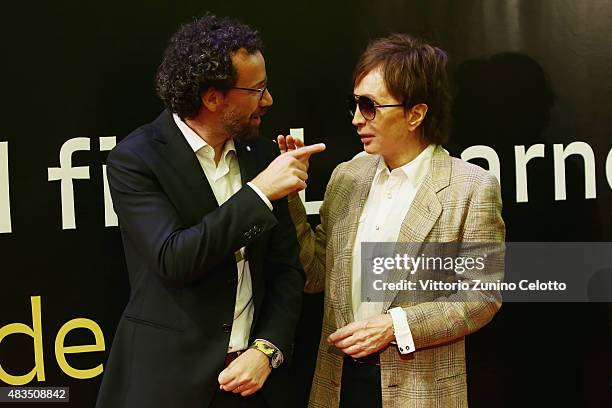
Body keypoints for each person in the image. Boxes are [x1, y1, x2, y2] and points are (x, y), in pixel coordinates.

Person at [96, 15, 325, 408]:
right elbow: (175, 258)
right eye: (257, 90)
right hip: (168, 387)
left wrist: (266, 350)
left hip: (254, 383)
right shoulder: (136, 159)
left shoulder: (262, 155)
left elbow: (287, 268)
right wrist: (259, 194)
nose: (268, 101)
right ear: (212, 97)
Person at [281, 33, 505, 408]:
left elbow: (481, 296)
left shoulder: (470, 188)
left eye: (369, 106)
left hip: (422, 388)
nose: (356, 119)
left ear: (416, 114)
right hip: (339, 385)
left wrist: (395, 327)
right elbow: (316, 273)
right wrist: (289, 196)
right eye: (355, 104)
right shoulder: (346, 177)